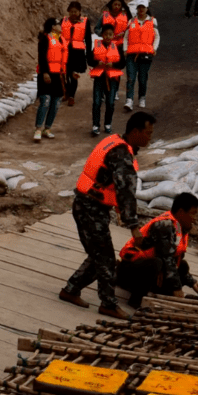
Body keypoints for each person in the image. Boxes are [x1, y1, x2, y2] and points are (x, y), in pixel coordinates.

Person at [59, 112, 156, 318]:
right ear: (136, 132)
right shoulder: (121, 155)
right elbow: (126, 192)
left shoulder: (115, 142)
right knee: (106, 259)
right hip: (90, 208)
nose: (150, 137)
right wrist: (134, 227)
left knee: (99, 256)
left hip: (89, 205)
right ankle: (108, 304)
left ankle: (71, 289)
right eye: (148, 133)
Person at [116, 191, 198, 309]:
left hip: (151, 268)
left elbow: (175, 259)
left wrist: (192, 282)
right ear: (181, 212)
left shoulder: (179, 227)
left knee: (182, 265)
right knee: (157, 263)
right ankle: (136, 300)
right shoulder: (164, 225)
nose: (195, 219)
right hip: (130, 269)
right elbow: (167, 258)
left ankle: (166, 295)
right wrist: (177, 287)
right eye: (193, 214)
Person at [34, 17, 67, 142]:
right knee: (45, 101)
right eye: (58, 24)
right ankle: (38, 128)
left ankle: (47, 128)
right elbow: (42, 56)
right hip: (46, 73)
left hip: (58, 74)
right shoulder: (45, 38)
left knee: (56, 102)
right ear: (53, 26)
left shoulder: (61, 40)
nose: (60, 26)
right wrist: (45, 72)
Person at [123, 0, 160, 110]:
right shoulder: (131, 21)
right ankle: (129, 100)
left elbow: (157, 36)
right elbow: (126, 37)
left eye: (143, 7)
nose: (141, 9)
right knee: (131, 77)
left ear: (147, 8)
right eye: (139, 7)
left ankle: (142, 98)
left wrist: (154, 48)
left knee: (143, 78)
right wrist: (125, 49)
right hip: (132, 54)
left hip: (146, 54)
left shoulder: (152, 21)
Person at [89, 22, 122, 135]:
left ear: (113, 35)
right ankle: (95, 125)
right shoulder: (96, 46)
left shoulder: (117, 47)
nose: (108, 36)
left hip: (112, 79)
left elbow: (122, 63)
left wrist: (113, 65)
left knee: (110, 102)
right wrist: (97, 62)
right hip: (99, 77)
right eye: (106, 34)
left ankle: (108, 124)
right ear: (102, 35)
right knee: (97, 102)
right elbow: (90, 60)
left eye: (110, 34)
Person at [61, 0, 90, 105]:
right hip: (65, 51)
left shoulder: (85, 22)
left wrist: (89, 53)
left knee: (73, 75)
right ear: (68, 11)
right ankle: (67, 91)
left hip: (77, 53)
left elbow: (88, 39)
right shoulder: (63, 21)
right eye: (71, 11)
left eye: (76, 11)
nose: (73, 13)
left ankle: (71, 96)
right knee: (65, 73)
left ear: (79, 12)